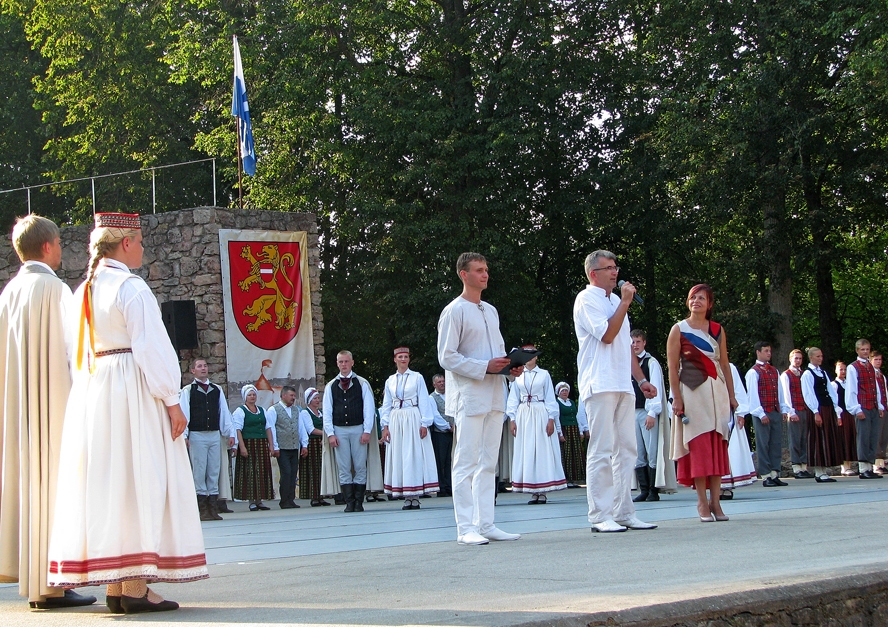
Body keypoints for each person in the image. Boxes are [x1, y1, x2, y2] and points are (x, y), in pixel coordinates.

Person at [47, 212, 207, 613]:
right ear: (127, 243)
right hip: (131, 391)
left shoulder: (82, 290)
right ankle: (133, 587)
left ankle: (119, 587)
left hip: (93, 392)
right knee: (141, 481)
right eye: (139, 241)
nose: (142, 249)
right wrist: (172, 401)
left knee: (113, 485)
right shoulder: (131, 288)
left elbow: (73, 354)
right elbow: (152, 348)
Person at [0, 215, 96, 610]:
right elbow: (75, 352)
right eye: (58, 242)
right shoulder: (55, 290)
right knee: (55, 489)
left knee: (29, 488)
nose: (61, 248)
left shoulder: (9, 293)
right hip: (54, 407)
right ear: (46, 246)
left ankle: (37, 578)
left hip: (20, 413)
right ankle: (52, 584)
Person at [437, 252, 523, 545]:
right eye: (479, 270)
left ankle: (485, 523)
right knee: (466, 462)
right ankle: (465, 528)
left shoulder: (491, 310)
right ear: (464, 274)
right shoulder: (454, 311)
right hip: (470, 394)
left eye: (486, 269)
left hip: (495, 393)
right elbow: (446, 356)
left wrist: (511, 366)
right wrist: (482, 367)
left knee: (489, 462)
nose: (485, 274)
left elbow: (494, 351)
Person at [573, 250, 658, 533]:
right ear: (593, 274)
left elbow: (624, 346)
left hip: (623, 383)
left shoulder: (615, 301)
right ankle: (600, 515)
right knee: (602, 449)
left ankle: (624, 511)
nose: (615, 272)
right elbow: (607, 335)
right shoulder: (587, 299)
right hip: (599, 382)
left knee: (627, 450)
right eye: (608, 268)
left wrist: (641, 379)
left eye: (616, 266)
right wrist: (624, 302)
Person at [667, 284, 738, 522]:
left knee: (717, 446)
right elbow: (672, 367)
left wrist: (731, 395)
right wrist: (676, 397)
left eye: (702, 298)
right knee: (699, 447)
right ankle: (701, 503)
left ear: (710, 304)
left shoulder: (717, 329)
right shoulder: (678, 329)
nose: (696, 301)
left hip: (716, 392)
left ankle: (716, 503)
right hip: (692, 392)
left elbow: (725, 363)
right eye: (693, 297)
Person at [379, 347, 439, 509]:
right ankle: (406, 495)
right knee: (400, 454)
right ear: (395, 359)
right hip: (396, 419)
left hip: (413, 416)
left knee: (412, 454)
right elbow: (386, 405)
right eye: (400, 357)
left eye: (406, 357)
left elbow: (424, 401)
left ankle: (415, 495)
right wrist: (385, 426)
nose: (403, 359)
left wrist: (424, 423)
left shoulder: (417, 377)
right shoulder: (390, 380)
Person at [506, 351, 566, 504]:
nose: (530, 359)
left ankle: (543, 490)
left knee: (541, 449)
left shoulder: (544, 374)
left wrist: (551, 418)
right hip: (524, 414)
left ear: (536, 358)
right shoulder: (518, 375)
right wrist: (512, 418)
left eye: (532, 356)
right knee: (527, 450)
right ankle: (532, 490)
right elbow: (513, 398)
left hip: (540, 412)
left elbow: (550, 397)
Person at [180, 357, 235, 521]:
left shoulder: (216, 389)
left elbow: (223, 412)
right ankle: (202, 508)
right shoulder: (188, 390)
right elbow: (184, 413)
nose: (203, 368)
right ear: (193, 371)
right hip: (197, 434)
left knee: (214, 470)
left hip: (214, 434)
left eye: (205, 366)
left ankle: (213, 507)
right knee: (199, 469)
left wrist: (229, 432)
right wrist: (185, 435)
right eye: (199, 366)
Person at [322, 350, 377, 512]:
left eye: (346, 361)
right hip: (339, 430)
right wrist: (330, 434)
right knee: (343, 466)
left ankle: (359, 502)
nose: (344, 365)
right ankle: (349, 502)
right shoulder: (331, 386)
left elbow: (369, 408)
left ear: (352, 362)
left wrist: (367, 430)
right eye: (341, 362)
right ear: (337, 363)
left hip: (358, 428)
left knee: (360, 465)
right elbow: (327, 411)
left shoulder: (362, 383)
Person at [746, 342, 788, 487]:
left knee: (775, 443)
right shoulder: (753, 372)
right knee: (763, 444)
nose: (769, 353)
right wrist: (760, 413)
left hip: (774, 410)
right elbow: (752, 395)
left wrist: (782, 408)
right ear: (758, 352)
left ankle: (775, 473)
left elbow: (780, 391)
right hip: (762, 412)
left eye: (769, 351)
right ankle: (765, 475)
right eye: (766, 351)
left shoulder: (774, 371)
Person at [630, 330, 665, 502]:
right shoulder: (627, 363)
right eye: (632, 342)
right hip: (632, 411)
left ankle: (653, 489)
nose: (634, 345)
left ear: (644, 343)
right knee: (637, 452)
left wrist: (652, 412)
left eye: (637, 341)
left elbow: (656, 387)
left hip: (646, 410)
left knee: (652, 451)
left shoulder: (651, 363)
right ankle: (643, 489)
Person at [233, 384, 277, 510]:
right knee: (250, 472)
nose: (252, 397)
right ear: (245, 397)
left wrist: (271, 445)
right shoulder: (240, 411)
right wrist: (242, 447)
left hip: (261, 445)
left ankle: (259, 500)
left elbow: (268, 428)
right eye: (249, 395)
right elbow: (238, 430)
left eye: (253, 394)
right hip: (249, 444)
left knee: (262, 472)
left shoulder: (262, 410)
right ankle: (251, 501)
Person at [846, 339, 884, 479]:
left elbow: (877, 388)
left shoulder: (870, 366)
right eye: (863, 349)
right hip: (862, 406)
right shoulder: (853, 367)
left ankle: (870, 466)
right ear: (857, 350)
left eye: (867, 349)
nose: (865, 352)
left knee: (873, 437)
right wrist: (856, 408)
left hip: (873, 405)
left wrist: (879, 405)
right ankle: (863, 468)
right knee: (863, 437)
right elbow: (851, 390)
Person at [801, 347, 840, 483]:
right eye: (818, 356)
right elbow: (808, 394)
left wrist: (836, 408)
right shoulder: (807, 374)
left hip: (827, 407)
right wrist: (815, 411)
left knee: (827, 437)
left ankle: (824, 470)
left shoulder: (822, 372)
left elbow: (830, 391)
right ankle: (819, 471)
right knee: (818, 439)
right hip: (817, 409)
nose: (820, 358)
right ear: (811, 357)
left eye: (821, 356)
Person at [267, 385, 309, 509]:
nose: (293, 398)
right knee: (286, 473)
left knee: (292, 473)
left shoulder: (297, 410)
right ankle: (284, 500)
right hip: (282, 447)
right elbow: (271, 429)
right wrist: (274, 446)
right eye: (291, 395)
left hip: (294, 447)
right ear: (283, 395)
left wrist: (304, 444)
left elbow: (300, 428)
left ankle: (291, 499)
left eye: (294, 396)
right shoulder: (273, 410)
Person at [720, 363, 757, 497]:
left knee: (729, 448)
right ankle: (715, 485)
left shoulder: (729, 367)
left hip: (727, 412)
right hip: (708, 413)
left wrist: (741, 412)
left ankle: (726, 485)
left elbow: (738, 390)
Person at [781, 350, 813, 479]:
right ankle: (796, 467)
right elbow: (786, 394)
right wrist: (791, 411)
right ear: (790, 359)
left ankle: (804, 466)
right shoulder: (786, 375)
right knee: (795, 439)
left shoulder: (804, 374)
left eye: (800, 358)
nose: (798, 361)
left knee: (805, 439)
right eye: (796, 358)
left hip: (805, 409)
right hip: (795, 410)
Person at [555, 382, 589, 488]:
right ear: (558, 393)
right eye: (562, 391)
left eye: (566, 391)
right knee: (566, 454)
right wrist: (560, 433)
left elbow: (577, 416)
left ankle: (575, 479)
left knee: (576, 454)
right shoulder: (556, 403)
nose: (565, 392)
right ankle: (566, 479)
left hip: (574, 430)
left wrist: (580, 431)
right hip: (565, 430)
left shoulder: (572, 403)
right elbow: (557, 419)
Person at [299, 387, 329, 506]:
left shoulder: (320, 413)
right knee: (313, 470)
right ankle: (314, 497)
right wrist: (326, 434)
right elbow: (310, 430)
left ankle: (321, 496)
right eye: (315, 398)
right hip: (311, 444)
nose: (318, 400)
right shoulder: (305, 413)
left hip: (322, 444)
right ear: (309, 400)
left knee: (321, 470)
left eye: (318, 398)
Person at [429, 374, 454, 497]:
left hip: (453, 433)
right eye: (439, 382)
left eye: (443, 381)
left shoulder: (451, 395)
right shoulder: (432, 398)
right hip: (440, 434)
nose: (442, 384)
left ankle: (450, 486)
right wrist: (448, 426)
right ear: (434, 384)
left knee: (451, 460)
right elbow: (435, 416)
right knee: (440, 461)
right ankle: (441, 487)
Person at [831, 362, 857, 476]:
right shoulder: (834, 384)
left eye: (844, 369)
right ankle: (844, 467)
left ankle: (850, 465)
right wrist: (838, 416)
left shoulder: (849, 384)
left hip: (850, 414)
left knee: (851, 438)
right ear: (836, 370)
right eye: (840, 369)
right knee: (844, 439)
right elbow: (835, 402)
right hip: (842, 414)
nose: (843, 372)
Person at [870, 351, 888, 473]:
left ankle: (882, 462)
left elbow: (885, 391)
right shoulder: (870, 374)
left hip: (884, 407)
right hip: (876, 407)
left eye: (880, 360)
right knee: (876, 435)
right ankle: (876, 464)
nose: (878, 362)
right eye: (876, 359)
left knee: (884, 435)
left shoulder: (882, 375)